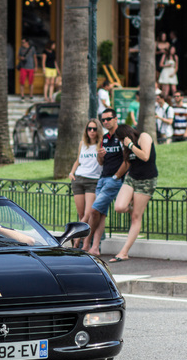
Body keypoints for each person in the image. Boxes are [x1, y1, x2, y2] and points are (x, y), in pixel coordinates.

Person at [109, 125, 158, 263]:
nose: (119, 142)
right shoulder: (126, 147)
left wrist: (130, 145)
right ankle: (135, 210)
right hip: (132, 178)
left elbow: (145, 156)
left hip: (146, 181)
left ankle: (124, 252)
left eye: (120, 139)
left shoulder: (144, 137)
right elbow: (127, 163)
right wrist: (115, 176)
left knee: (136, 218)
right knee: (119, 207)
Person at [85, 108, 129, 257]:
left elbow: (127, 160)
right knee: (101, 213)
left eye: (108, 119)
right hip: (103, 178)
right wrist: (100, 156)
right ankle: (95, 247)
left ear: (116, 119)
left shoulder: (122, 136)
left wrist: (116, 177)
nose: (105, 122)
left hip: (113, 180)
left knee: (94, 210)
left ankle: (86, 243)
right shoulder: (104, 138)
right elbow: (101, 162)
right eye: (103, 120)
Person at [68, 118, 103, 250]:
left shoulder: (101, 144)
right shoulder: (82, 143)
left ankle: (74, 238)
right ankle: (80, 243)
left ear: (98, 130)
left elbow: (102, 163)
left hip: (93, 180)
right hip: (78, 179)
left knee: (88, 214)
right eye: (89, 129)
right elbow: (78, 160)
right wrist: (71, 172)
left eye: (94, 129)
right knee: (82, 214)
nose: (92, 131)